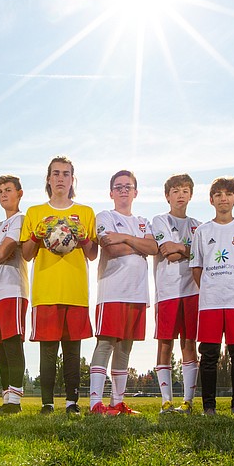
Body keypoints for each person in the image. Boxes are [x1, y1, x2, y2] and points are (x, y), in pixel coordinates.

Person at [20, 156, 98, 415]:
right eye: (56, 173)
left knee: (73, 350)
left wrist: (84, 237)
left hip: (75, 290)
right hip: (46, 290)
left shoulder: (85, 213)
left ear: (72, 179)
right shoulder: (35, 213)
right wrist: (36, 234)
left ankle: (72, 403)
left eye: (66, 173)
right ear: (48, 179)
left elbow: (92, 254)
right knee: (48, 350)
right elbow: (27, 254)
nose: (61, 178)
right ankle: (47, 403)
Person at [89, 170, 157, 416]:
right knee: (106, 343)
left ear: (136, 192)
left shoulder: (142, 221)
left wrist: (126, 238)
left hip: (137, 292)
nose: (123, 190)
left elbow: (153, 247)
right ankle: (96, 404)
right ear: (111, 193)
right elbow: (111, 247)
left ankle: (117, 402)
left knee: (125, 347)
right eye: (118, 187)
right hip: (112, 291)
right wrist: (138, 246)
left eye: (128, 186)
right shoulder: (105, 216)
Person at [190, 177, 234, 416]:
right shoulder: (202, 231)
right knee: (208, 355)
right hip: (210, 303)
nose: (223, 198)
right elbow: (196, 267)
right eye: (218, 194)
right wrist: (210, 287)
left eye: (228, 194)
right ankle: (209, 407)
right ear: (211, 200)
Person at [150, 174, 201, 414]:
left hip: (193, 290)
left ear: (191, 194)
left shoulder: (198, 226)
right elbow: (167, 254)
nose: (180, 195)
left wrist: (180, 247)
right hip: (167, 291)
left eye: (185, 190)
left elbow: (198, 255)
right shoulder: (159, 221)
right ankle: (166, 401)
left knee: (189, 343)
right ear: (167, 195)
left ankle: (188, 401)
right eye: (176, 191)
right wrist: (189, 251)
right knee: (165, 344)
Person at [0, 175, 29, 413]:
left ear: (19, 193)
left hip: (13, 289)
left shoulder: (21, 219)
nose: (3, 194)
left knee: (12, 344)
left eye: (8, 190)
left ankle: (16, 401)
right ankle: (6, 399)